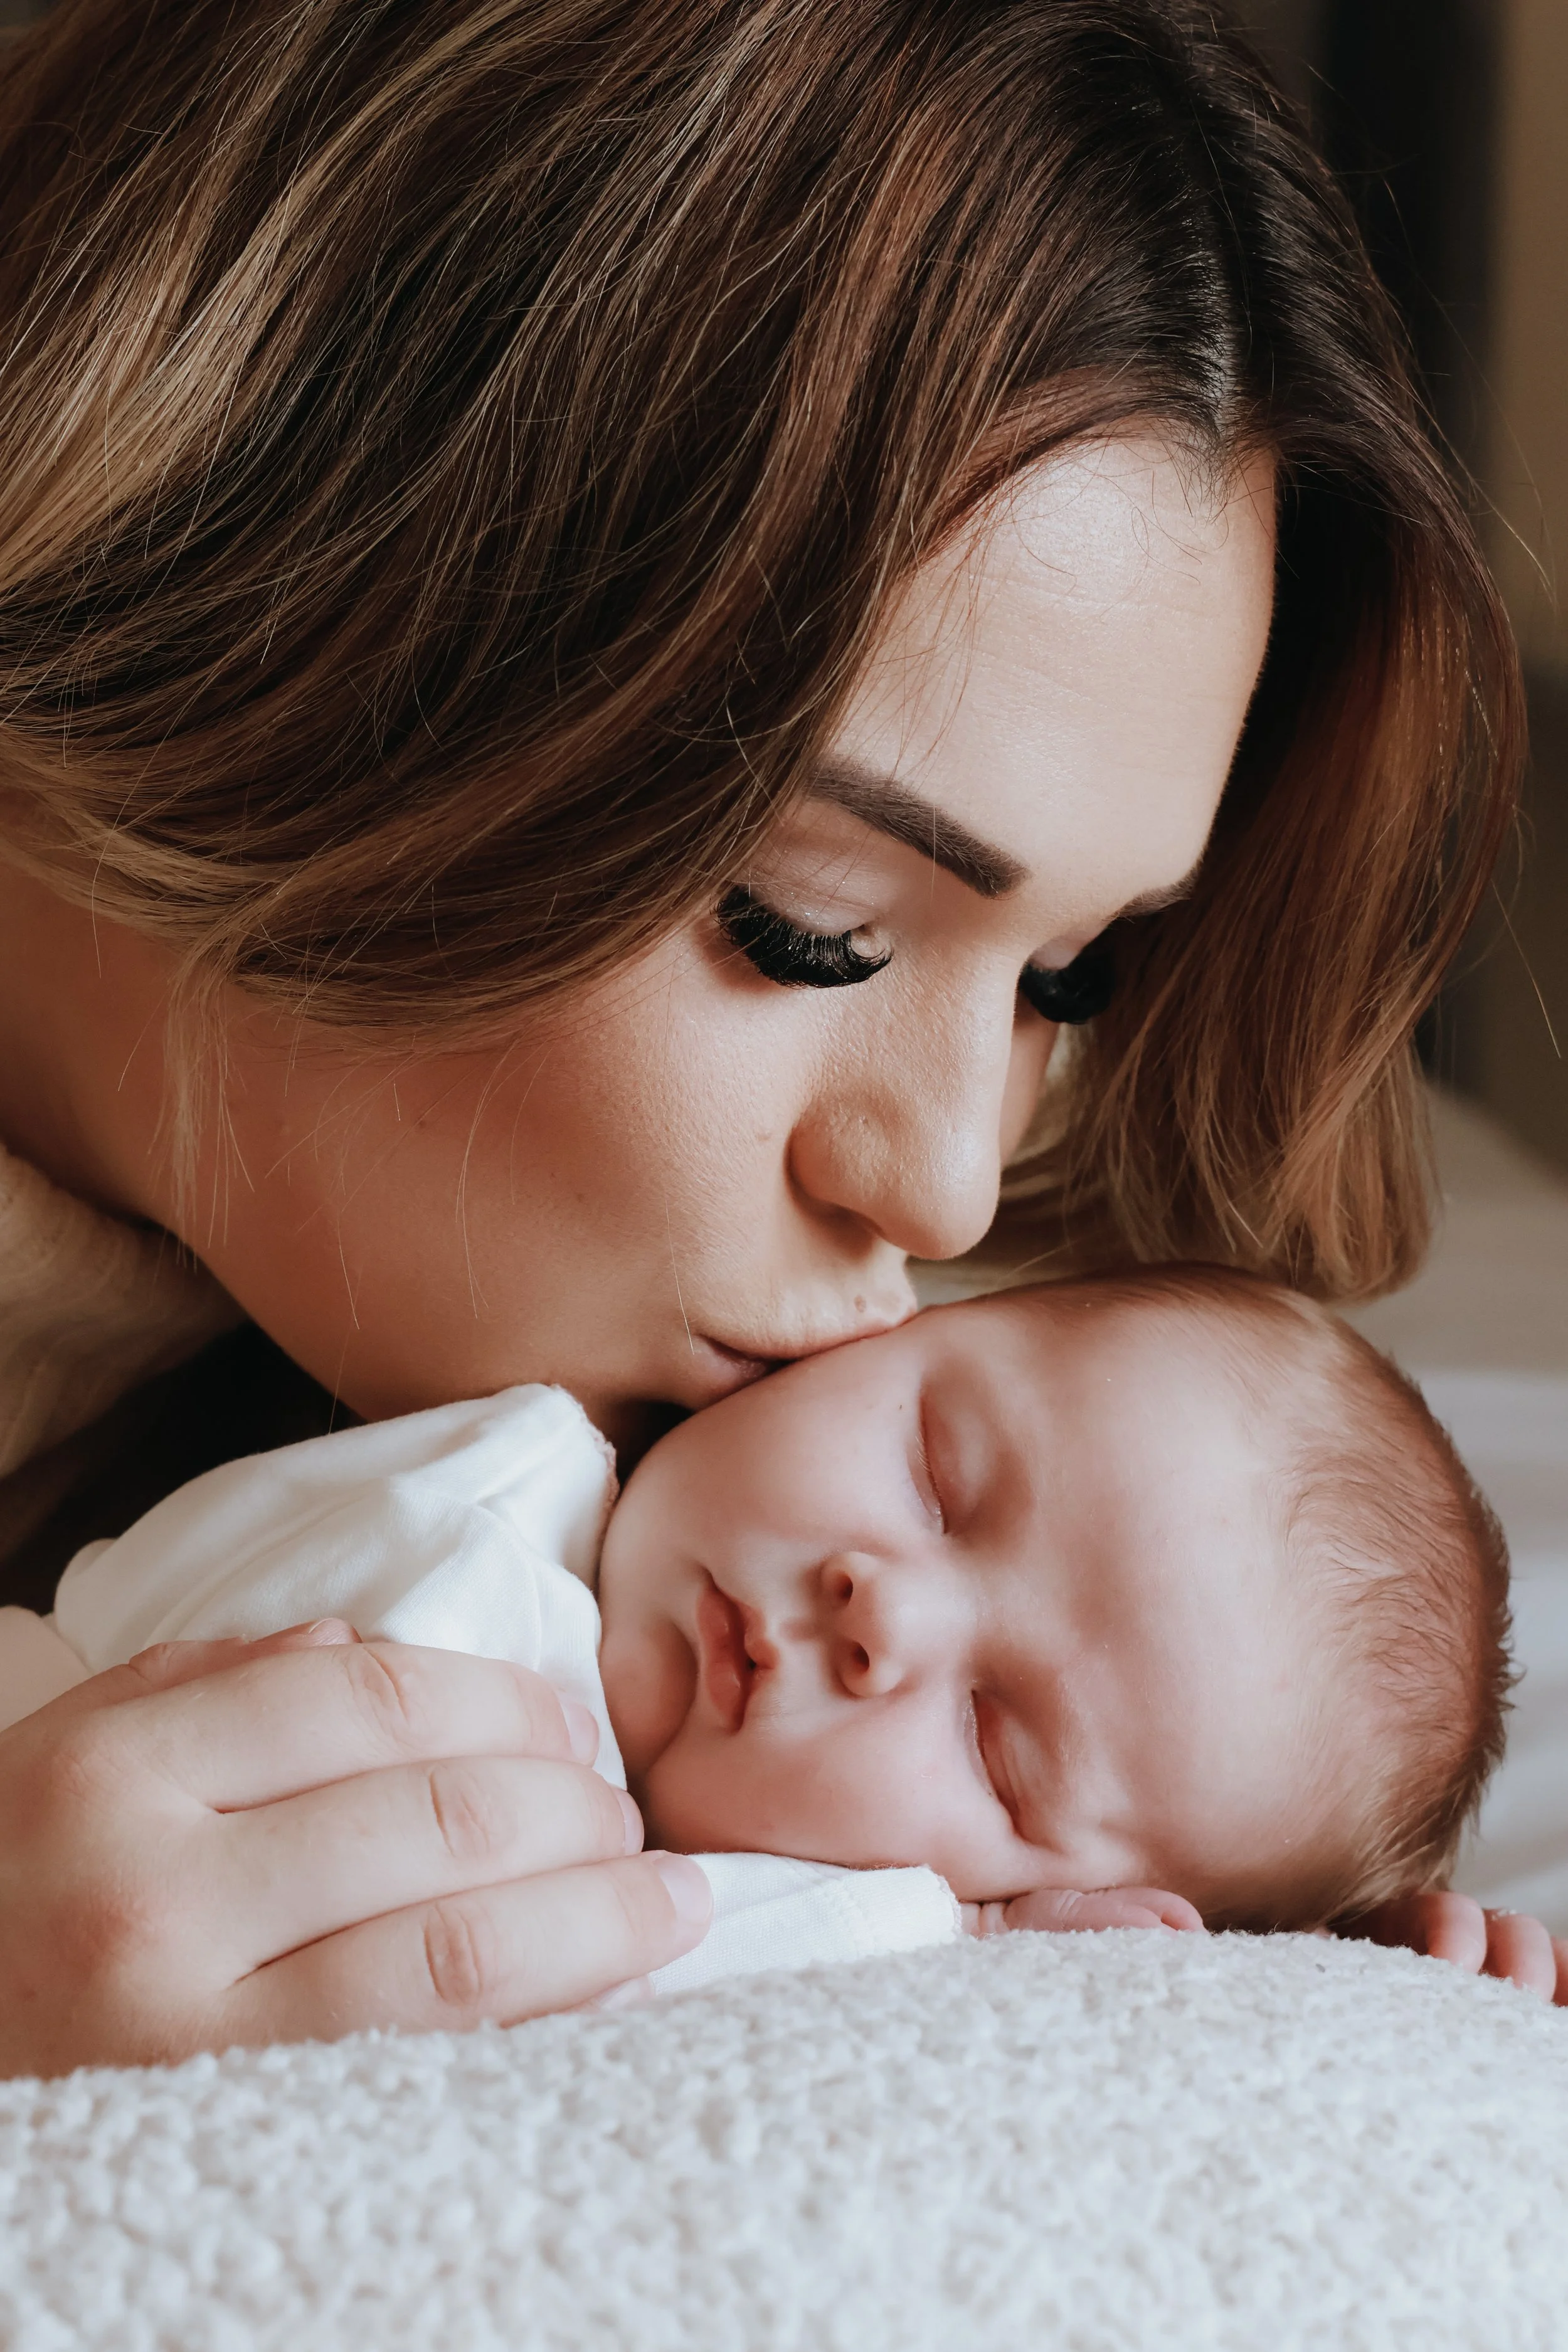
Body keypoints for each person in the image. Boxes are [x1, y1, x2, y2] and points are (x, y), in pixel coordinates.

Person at [0, 0, 1532, 2075]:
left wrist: (1264, 1952)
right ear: (283, 580)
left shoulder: (678, 1501)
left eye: (1060, 981)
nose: (949, 1183)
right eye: (812, 927)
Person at [4, 1266, 1549, 2072]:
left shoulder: (819, 1950)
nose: (883, 1616)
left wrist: (1332, 1983)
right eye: (936, 1473)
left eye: (996, 1748)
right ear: (866, 1334)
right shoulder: (486, 1490)